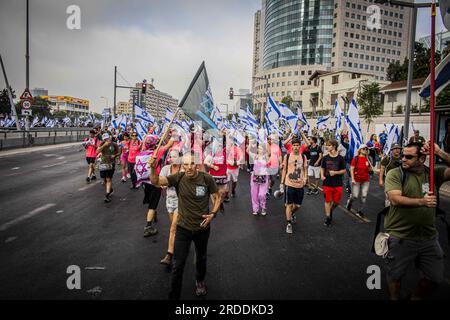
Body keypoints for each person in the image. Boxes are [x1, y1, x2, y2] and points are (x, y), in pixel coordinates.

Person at [383, 141, 450, 300]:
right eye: (403, 155)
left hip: (428, 238)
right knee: (395, 276)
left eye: (408, 156)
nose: (403, 159)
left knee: (435, 278)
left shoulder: (433, 173)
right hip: (401, 237)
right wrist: (422, 201)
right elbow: (395, 199)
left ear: (422, 159)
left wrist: (439, 152)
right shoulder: (395, 173)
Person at [149, 153, 221, 300]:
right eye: (185, 164)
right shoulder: (179, 177)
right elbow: (156, 181)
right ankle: (174, 295)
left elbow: (217, 196)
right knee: (178, 264)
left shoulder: (206, 178)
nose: (188, 167)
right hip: (183, 228)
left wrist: (212, 214)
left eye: (192, 164)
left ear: (197, 165)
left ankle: (200, 281)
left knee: (201, 258)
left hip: (202, 228)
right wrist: (152, 168)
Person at [159, 150, 182, 266]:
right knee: (175, 227)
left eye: (175, 156)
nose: (173, 159)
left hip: (181, 201)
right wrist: (161, 183)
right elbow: (160, 182)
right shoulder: (165, 169)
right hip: (169, 200)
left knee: (173, 228)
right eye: (171, 157)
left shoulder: (183, 169)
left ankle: (169, 254)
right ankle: (182, 240)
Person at [280, 138, 307, 234]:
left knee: (298, 206)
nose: (296, 147)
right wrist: (282, 183)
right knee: (289, 204)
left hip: (300, 185)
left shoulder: (303, 157)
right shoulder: (287, 157)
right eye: (294, 145)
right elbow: (284, 170)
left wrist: (305, 178)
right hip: (289, 184)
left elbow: (305, 169)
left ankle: (291, 214)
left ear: (300, 146)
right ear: (292, 146)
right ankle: (289, 224)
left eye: (297, 145)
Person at [321, 140, 347, 227]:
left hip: (338, 183)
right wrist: (322, 175)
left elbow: (344, 170)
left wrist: (335, 173)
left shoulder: (340, 158)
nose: (326, 147)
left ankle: (330, 210)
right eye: (326, 145)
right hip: (327, 183)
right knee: (327, 201)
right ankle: (328, 218)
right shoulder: (325, 158)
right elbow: (322, 168)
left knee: (336, 202)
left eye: (328, 145)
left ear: (334, 146)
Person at [347, 144, 372, 218]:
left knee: (364, 196)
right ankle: (349, 202)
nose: (365, 150)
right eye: (364, 149)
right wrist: (353, 179)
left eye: (366, 149)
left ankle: (359, 211)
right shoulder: (356, 158)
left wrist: (372, 169)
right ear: (360, 150)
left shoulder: (368, 159)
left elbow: (370, 169)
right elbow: (351, 169)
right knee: (355, 196)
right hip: (356, 180)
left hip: (365, 180)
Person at [96, 133, 120, 203]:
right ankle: (110, 189)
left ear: (109, 137)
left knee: (108, 179)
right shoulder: (102, 144)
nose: (107, 140)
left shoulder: (114, 144)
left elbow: (119, 152)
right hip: (103, 164)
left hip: (111, 163)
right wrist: (104, 145)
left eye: (107, 138)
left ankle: (107, 195)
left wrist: (115, 155)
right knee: (104, 181)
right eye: (105, 139)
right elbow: (97, 151)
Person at [249, 144, 269, 216]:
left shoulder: (266, 157)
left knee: (262, 194)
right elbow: (248, 150)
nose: (259, 150)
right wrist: (251, 143)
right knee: (254, 194)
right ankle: (255, 209)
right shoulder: (255, 156)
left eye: (261, 148)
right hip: (255, 177)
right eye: (259, 148)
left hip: (264, 177)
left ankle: (263, 207)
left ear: (264, 150)